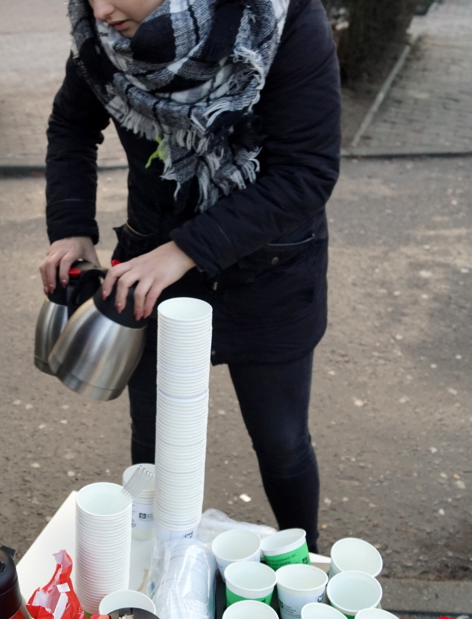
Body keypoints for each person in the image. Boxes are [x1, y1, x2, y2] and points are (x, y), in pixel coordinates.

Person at [40, 0, 341, 554]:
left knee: (281, 443)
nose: (99, 10)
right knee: (156, 449)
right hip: (152, 271)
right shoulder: (101, 38)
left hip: (271, 273)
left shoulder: (282, 20)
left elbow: (306, 172)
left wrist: (184, 249)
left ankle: (311, 567)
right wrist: (70, 227)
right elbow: (71, 126)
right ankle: (160, 575)